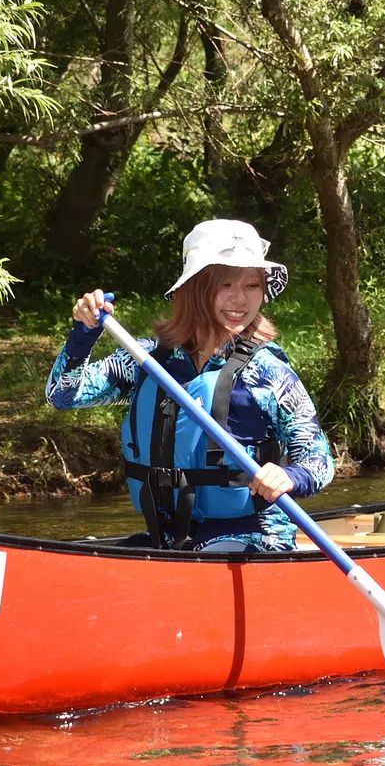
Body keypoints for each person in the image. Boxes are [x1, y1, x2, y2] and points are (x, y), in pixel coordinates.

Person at [46, 220, 334, 551]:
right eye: (225, 284)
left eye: (252, 285)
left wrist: (289, 477)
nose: (240, 299)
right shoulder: (147, 361)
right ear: (194, 287)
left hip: (252, 535)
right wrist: (84, 335)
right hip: (168, 537)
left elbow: (318, 459)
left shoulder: (268, 373)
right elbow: (63, 395)